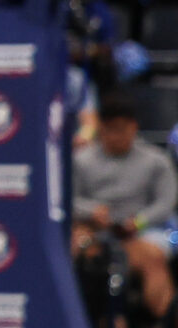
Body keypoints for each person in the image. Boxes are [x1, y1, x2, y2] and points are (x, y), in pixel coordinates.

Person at [76, 92, 178, 232]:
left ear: (134, 126)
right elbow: (67, 200)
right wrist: (91, 211)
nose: (115, 136)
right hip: (93, 228)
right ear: (100, 128)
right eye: (109, 129)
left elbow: (165, 203)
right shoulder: (80, 160)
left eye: (120, 129)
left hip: (147, 229)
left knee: (148, 248)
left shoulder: (157, 160)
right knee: (80, 241)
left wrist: (139, 221)